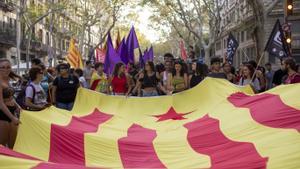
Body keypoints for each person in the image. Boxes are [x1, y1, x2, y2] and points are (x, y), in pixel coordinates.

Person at [0, 59, 21, 149]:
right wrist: (12, 118)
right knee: (2, 146)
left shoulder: (7, 80)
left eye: (8, 67)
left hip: (12, 113)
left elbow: (11, 98)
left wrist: (18, 107)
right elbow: (0, 103)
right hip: (2, 115)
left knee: (13, 144)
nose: (6, 69)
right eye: (3, 67)